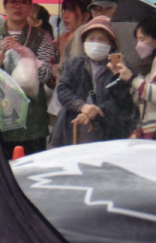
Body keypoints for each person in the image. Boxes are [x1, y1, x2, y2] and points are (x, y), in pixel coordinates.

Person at [0, 0, 55, 157]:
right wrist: (1, 53)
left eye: (23, 2)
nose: (17, 6)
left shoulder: (43, 37)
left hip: (32, 120)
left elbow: (46, 75)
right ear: (5, 7)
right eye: (13, 1)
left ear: (30, 8)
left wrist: (26, 54)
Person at [50, 17, 136, 148]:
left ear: (111, 44)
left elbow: (123, 104)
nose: (96, 43)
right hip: (71, 132)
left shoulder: (121, 68)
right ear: (84, 42)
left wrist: (96, 111)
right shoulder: (75, 64)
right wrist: (81, 106)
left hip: (106, 136)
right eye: (91, 39)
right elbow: (63, 90)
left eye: (102, 39)